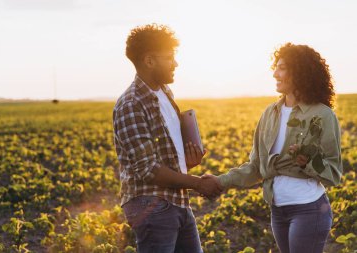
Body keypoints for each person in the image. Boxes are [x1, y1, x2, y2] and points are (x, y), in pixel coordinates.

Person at [205, 43, 343, 253]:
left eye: (282, 68)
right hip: (278, 210)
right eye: (275, 68)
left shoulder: (323, 115)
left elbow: (334, 172)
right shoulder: (270, 113)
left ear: (300, 71)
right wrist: (220, 181)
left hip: (309, 210)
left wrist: (307, 163)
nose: (275, 74)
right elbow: (255, 167)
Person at [113, 24, 222, 253]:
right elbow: (149, 170)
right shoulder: (131, 104)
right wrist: (198, 183)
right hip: (151, 204)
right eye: (170, 57)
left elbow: (163, 157)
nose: (176, 63)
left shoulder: (164, 93)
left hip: (175, 200)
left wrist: (186, 162)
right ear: (149, 60)